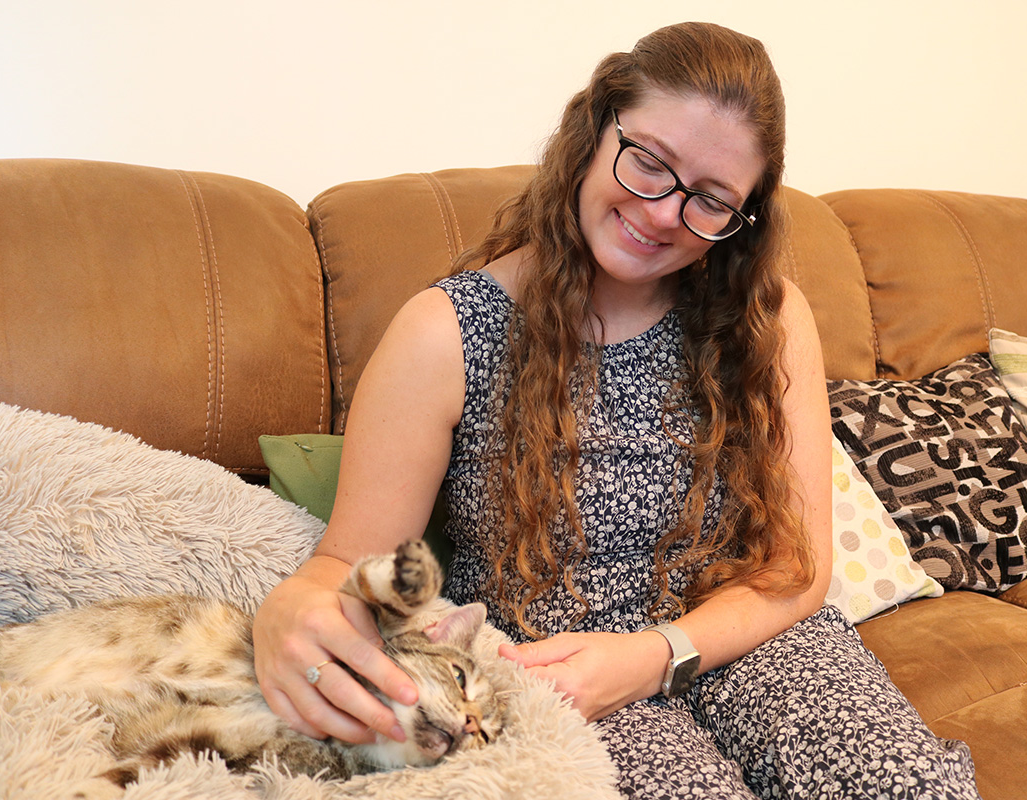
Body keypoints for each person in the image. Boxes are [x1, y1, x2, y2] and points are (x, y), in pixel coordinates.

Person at [253, 21, 980, 799]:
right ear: (596, 130)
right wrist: (283, 612)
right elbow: (349, 562)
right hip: (558, 676)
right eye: (650, 163)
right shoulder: (445, 332)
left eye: (711, 200)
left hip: (746, 639)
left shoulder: (768, 317)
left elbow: (795, 568)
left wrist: (660, 653)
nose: (664, 213)